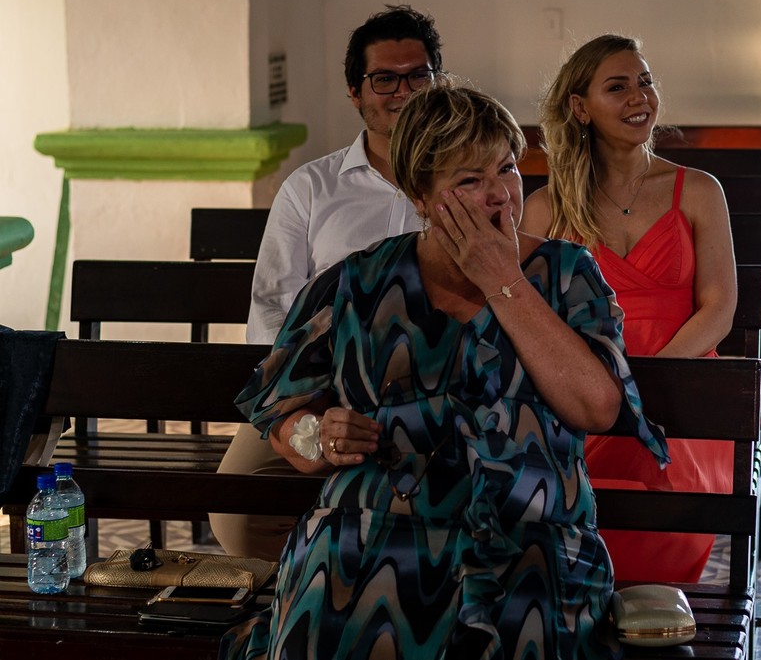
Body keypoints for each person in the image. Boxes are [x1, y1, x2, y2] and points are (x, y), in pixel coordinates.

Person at [220, 81, 668, 660]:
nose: (500, 196)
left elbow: (598, 407)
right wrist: (319, 435)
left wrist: (502, 282)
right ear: (421, 195)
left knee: (521, 622)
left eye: (507, 169)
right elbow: (283, 415)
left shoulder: (565, 274)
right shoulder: (358, 283)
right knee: (327, 607)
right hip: (374, 523)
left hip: (529, 531)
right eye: (468, 181)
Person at [210, 5, 442, 560]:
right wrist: (298, 413)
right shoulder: (311, 189)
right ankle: (301, 609)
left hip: (433, 389)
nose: (402, 90)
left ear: (439, 82)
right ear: (354, 92)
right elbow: (272, 307)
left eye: (418, 75)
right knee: (238, 517)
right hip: (316, 385)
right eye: (384, 78)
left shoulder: (471, 179)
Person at [521, 34, 736, 584]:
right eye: (617, 87)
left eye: (645, 81)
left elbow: (718, 308)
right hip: (579, 398)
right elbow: (522, 317)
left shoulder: (697, 190)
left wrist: (645, 382)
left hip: (679, 394)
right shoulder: (546, 208)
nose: (640, 96)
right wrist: (597, 388)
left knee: (668, 521)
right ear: (580, 107)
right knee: (554, 514)